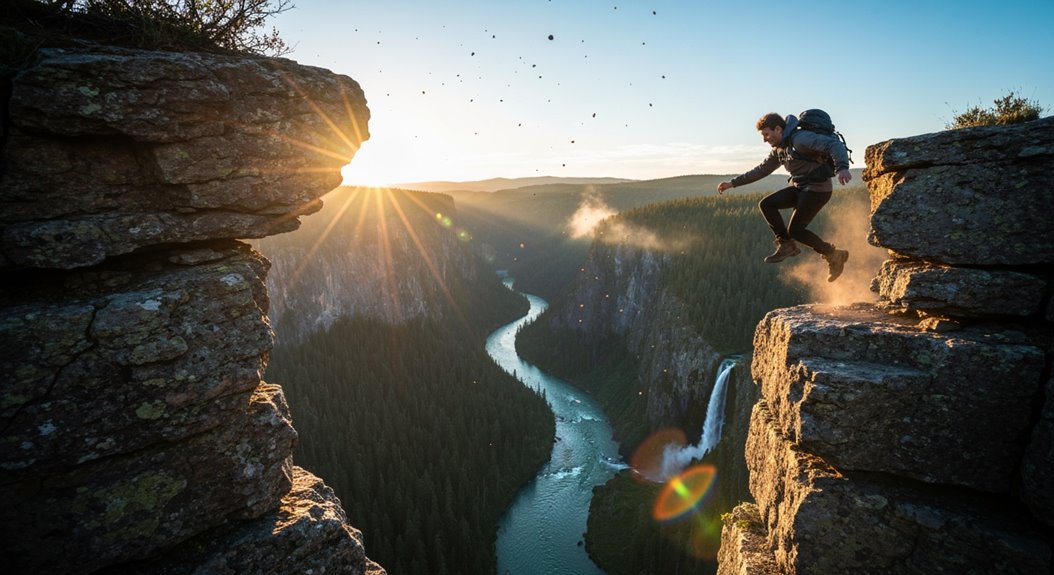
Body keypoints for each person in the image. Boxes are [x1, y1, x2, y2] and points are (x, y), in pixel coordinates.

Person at [717, 112, 852, 282]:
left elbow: (834, 145)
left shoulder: (800, 140)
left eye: (767, 134)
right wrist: (733, 183)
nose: (765, 139)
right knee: (767, 204)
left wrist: (842, 167)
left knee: (796, 230)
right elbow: (762, 169)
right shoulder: (780, 149)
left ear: (778, 129)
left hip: (817, 190)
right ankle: (786, 245)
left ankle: (834, 255)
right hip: (800, 188)